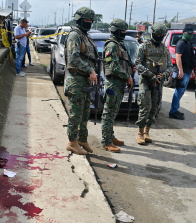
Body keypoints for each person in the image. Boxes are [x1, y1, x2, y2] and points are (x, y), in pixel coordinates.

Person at [64, 7, 98, 155]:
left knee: (85, 114)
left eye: (91, 20)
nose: (89, 22)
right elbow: (73, 58)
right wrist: (90, 70)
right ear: (79, 19)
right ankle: (72, 142)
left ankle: (82, 139)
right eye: (87, 20)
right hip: (77, 80)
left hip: (85, 81)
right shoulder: (74, 35)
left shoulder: (86, 36)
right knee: (75, 114)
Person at [135, 23, 173, 145]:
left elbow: (170, 67)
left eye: (161, 35)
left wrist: (164, 75)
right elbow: (138, 64)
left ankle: (147, 132)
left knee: (154, 107)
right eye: (157, 34)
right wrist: (150, 75)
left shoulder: (165, 50)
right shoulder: (143, 47)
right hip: (146, 81)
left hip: (158, 83)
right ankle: (140, 133)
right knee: (145, 107)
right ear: (152, 33)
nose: (158, 37)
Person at [101, 19, 135, 153]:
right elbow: (113, 67)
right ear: (115, 30)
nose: (124, 33)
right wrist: (127, 76)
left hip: (118, 84)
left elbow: (122, 63)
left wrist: (131, 70)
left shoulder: (119, 44)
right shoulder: (112, 46)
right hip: (113, 84)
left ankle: (111, 136)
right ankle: (106, 142)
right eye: (122, 31)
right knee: (108, 114)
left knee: (113, 113)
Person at [169, 27, 196, 120]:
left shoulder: (188, 44)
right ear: (184, 33)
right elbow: (178, 57)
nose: (190, 35)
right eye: (188, 33)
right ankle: (173, 112)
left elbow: (190, 58)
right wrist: (180, 70)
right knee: (178, 91)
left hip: (188, 71)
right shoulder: (181, 43)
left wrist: (192, 70)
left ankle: (175, 109)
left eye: (191, 33)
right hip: (182, 72)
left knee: (181, 92)